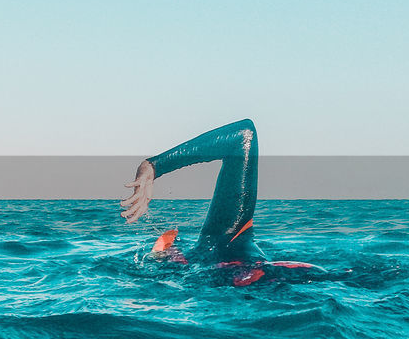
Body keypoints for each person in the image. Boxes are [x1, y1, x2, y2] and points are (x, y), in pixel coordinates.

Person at [121, 118, 326, 286]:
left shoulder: (204, 250)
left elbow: (243, 135)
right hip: (253, 280)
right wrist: (155, 166)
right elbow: (244, 135)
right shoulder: (227, 238)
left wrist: (154, 166)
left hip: (212, 284)